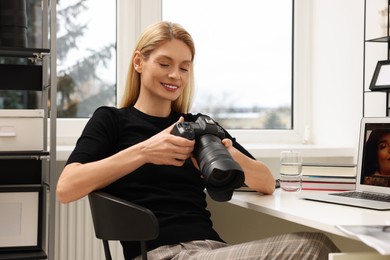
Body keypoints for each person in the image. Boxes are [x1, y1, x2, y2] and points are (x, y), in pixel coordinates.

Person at [56, 21, 340, 260]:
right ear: (139, 62)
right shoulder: (111, 121)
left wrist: (229, 152)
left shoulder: (196, 125)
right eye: (164, 63)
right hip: (161, 254)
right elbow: (67, 188)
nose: (174, 75)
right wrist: (145, 151)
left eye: (184, 67)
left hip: (210, 249)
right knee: (313, 248)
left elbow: (266, 182)